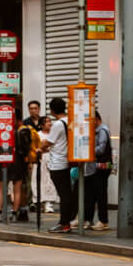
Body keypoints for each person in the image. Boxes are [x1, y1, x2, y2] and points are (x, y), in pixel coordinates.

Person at [45, 96, 75, 232]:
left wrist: (39, 148)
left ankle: (64, 223)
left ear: (52, 110)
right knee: (67, 194)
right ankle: (67, 221)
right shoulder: (70, 121)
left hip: (58, 163)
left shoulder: (57, 124)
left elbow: (48, 142)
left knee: (64, 195)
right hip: (67, 162)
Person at [84, 108, 112, 230]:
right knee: (91, 194)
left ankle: (103, 221)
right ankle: (88, 219)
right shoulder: (96, 130)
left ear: (96, 119)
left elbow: (101, 148)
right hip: (93, 167)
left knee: (101, 195)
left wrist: (88, 152)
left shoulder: (102, 131)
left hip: (100, 167)